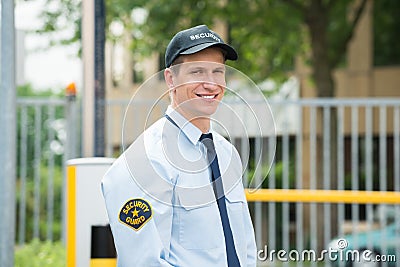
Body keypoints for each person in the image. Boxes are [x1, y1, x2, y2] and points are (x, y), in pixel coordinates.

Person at [102, 24, 257, 267]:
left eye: (218, 71)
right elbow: (143, 263)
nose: (211, 84)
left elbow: (245, 244)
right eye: (197, 72)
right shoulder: (144, 162)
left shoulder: (227, 153)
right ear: (170, 79)